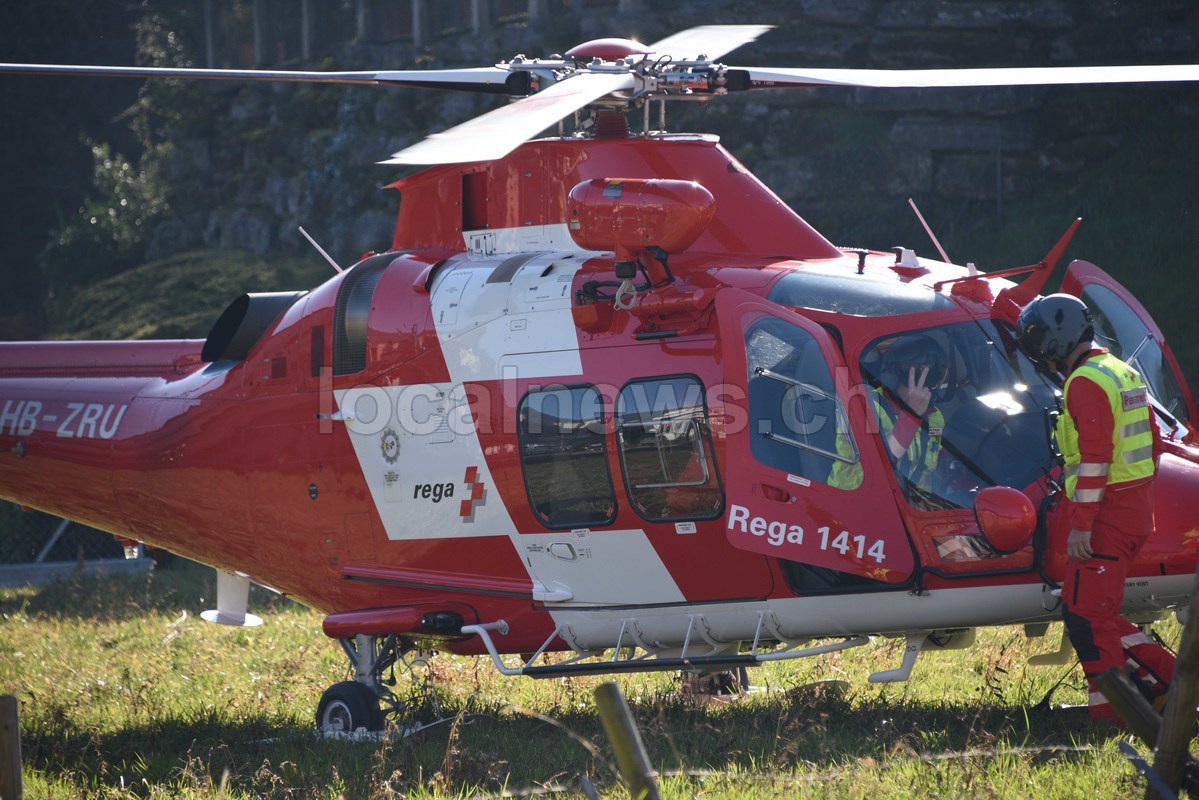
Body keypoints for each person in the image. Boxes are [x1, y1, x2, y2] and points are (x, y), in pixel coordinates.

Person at [1016, 293, 1175, 723]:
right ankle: (1157, 689)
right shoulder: (1121, 371)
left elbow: (1096, 459)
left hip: (1107, 518)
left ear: (1055, 339)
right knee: (1086, 611)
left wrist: (1082, 525)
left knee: (1087, 616)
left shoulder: (1084, 382)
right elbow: (1153, 445)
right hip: (1133, 512)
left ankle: (1120, 712)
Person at [830, 333, 947, 492]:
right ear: (895, 374)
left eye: (933, 377)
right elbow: (876, 474)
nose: (924, 389)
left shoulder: (934, 416)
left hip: (915, 502)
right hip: (855, 498)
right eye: (917, 377)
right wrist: (911, 416)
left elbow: (932, 468)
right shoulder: (863, 404)